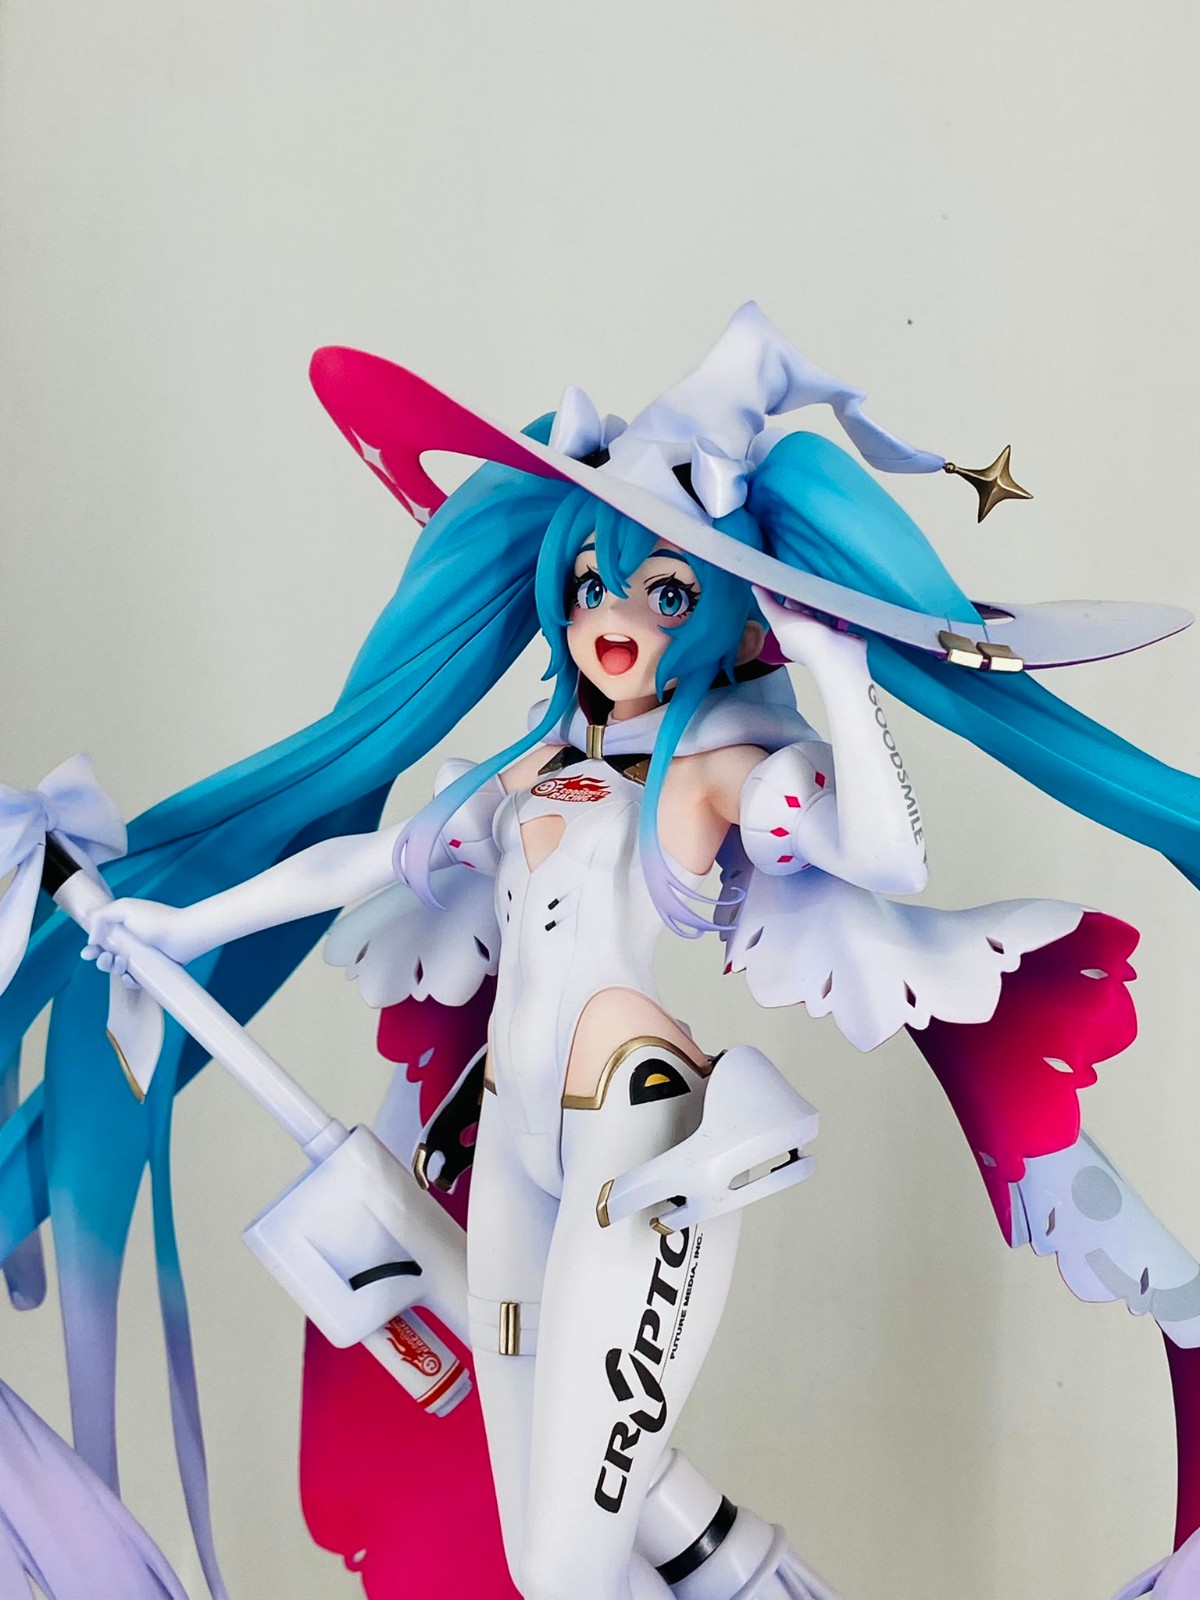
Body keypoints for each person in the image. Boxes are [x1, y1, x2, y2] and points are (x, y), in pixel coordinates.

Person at [3, 303, 1200, 1598]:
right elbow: (364, 862)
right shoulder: (536, 774)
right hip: (518, 1148)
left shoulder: (720, 772)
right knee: (542, 1515)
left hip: (637, 1143)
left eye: (665, 591)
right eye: (591, 584)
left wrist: (841, 677)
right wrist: (183, 924)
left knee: (563, 1557)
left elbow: (887, 856)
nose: (615, 617)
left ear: (724, 612)